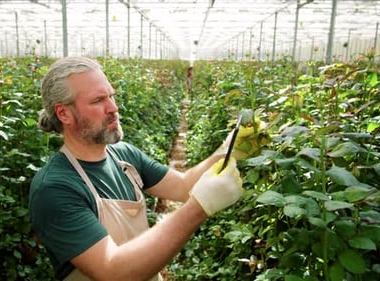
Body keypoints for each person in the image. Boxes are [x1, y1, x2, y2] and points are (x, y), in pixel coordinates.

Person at [28, 56, 243, 281]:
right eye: (98, 100)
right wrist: (199, 207)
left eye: (111, 96)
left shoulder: (123, 155)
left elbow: (183, 185)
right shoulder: (54, 188)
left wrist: (231, 149)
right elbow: (112, 271)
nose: (113, 107)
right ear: (63, 113)